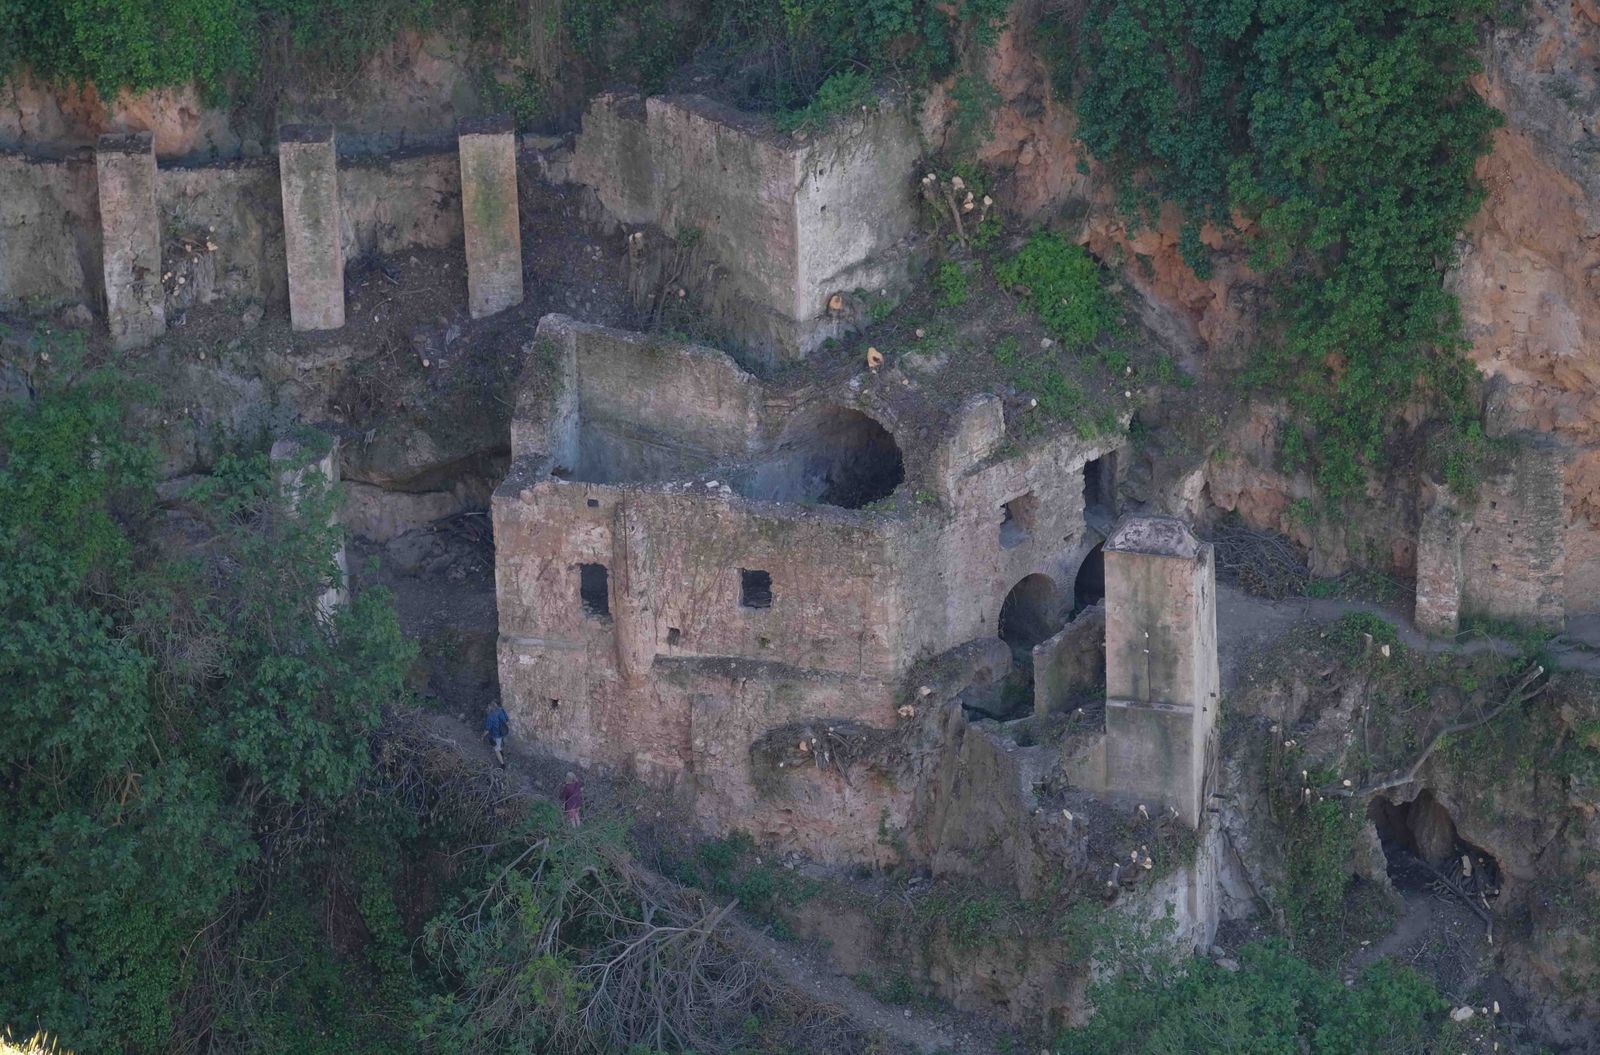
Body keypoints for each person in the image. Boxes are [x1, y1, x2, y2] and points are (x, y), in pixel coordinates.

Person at [481, 702, 510, 769]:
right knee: (499, 743)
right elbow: (507, 719)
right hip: (504, 731)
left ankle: (502, 765)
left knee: (496, 749)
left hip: (497, 735)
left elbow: (487, 730)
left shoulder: (490, 716)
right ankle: (501, 751)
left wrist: (482, 736)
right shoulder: (501, 710)